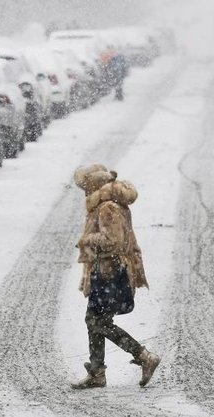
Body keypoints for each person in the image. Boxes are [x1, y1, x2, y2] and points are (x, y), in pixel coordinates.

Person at [71, 164, 160, 389]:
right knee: (95, 319)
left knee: (97, 320)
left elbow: (113, 241)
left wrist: (87, 241)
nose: (84, 192)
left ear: (93, 185)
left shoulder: (107, 207)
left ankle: (143, 356)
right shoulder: (111, 203)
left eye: (85, 187)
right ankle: (97, 372)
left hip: (112, 272)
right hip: (108, 271)